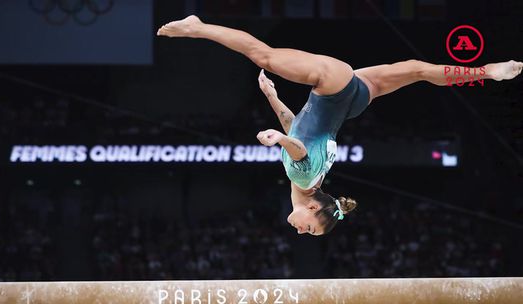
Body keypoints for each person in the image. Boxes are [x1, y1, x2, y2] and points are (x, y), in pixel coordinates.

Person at [157, 15, 523, 236]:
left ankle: (487, 71)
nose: (301, 231)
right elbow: (296, 143)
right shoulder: (302, 181)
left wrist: (272, 100)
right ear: (314, 209)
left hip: (354, 102)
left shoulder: (312, 180)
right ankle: (198, 28)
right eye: (310, 228)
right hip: (334, 89)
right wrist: (279, 137)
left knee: (417, 69)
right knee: (262, 54)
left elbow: (298, 128)